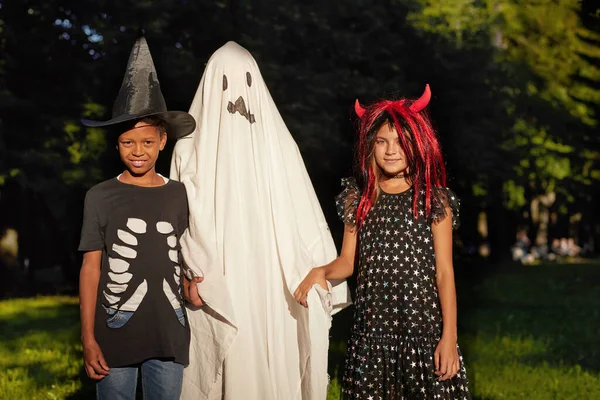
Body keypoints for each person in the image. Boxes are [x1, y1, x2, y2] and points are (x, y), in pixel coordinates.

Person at [170, 41, 351, 400]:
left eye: (246, 83)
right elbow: (178, 218)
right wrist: (191, 270)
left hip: (275, 280)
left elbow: (304, 211)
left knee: (275, 352)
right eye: (224, 85)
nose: (236, 100)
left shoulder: (280, 146)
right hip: (220, 275)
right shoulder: (188, 147)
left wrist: (316, 268)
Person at [295, 85, 471, 399]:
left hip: (423, 330)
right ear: (370, 146)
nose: (391, 150)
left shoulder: (432, 199)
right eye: (382, 142)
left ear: (416, 145)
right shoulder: (359, 199)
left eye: (400, 142)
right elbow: (347, 263)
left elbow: (444, 273)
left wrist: (449, 337)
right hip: (372, 333)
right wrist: (320, 272)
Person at [78, 36, 196, 400]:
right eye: (128, 142)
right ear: (116, 144)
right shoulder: (100, 195)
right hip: (114, 337)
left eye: (147, 142)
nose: (138, 151)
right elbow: (91, 267)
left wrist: (192, 281)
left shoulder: (180, 193)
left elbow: (188, 252)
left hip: (168, 334)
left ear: (163, 141)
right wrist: (87, 337)